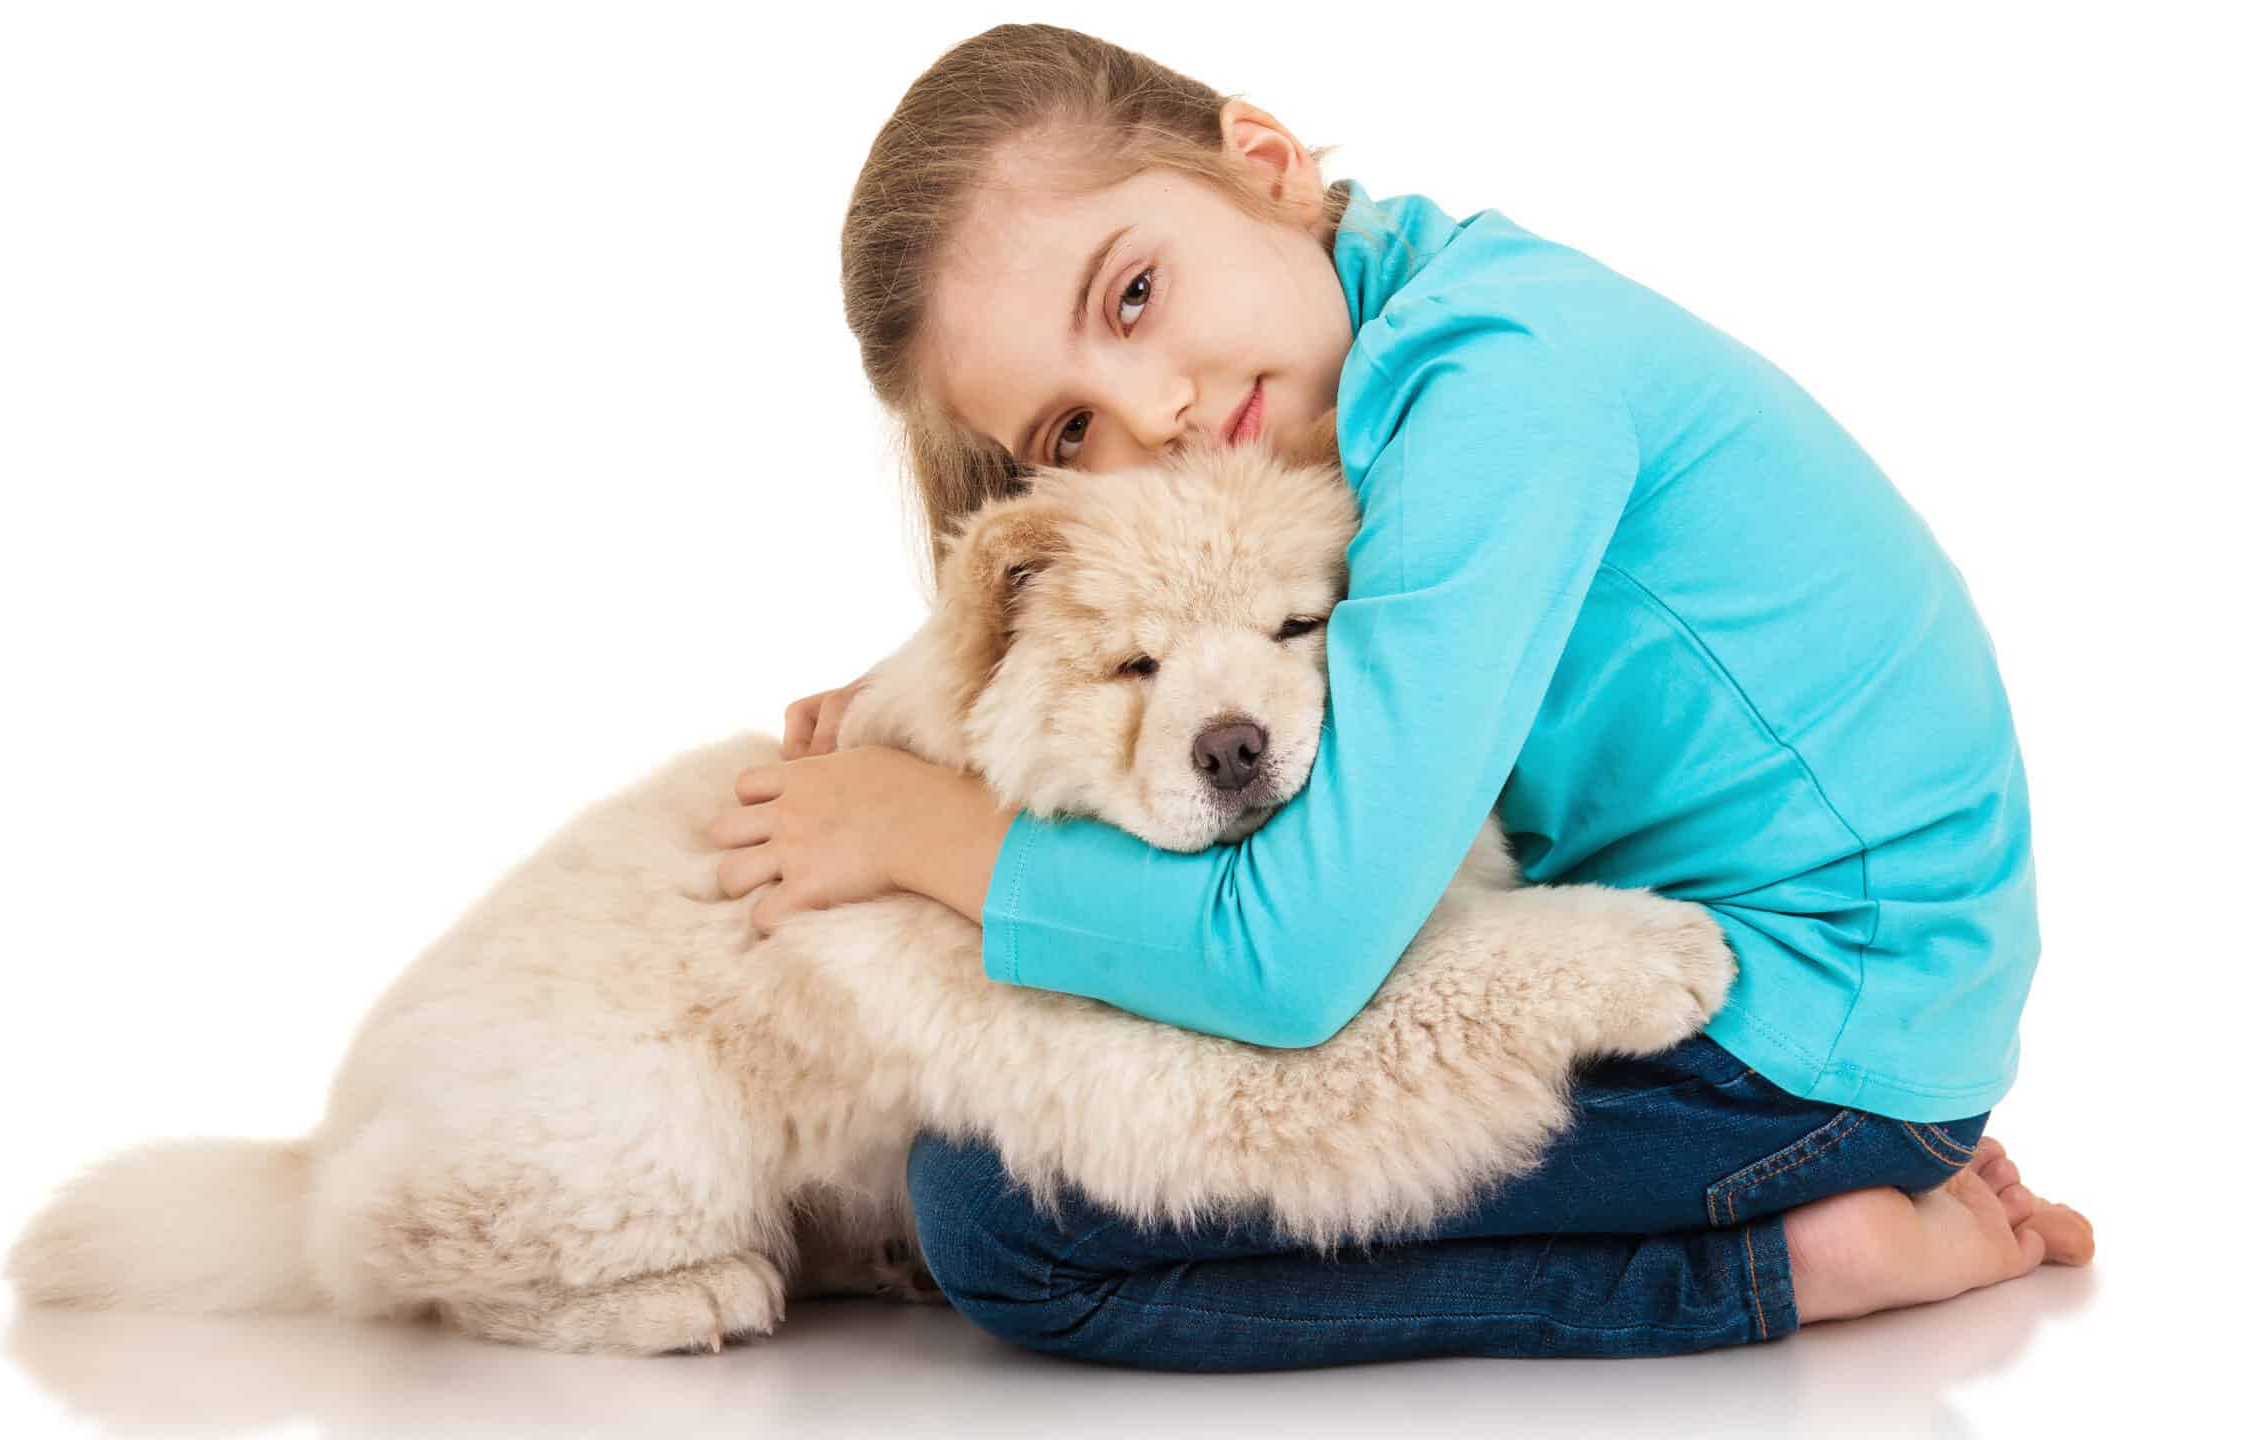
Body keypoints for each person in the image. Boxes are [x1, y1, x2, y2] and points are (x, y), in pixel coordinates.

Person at [703, 23, 2093, 1371]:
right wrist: (914, 696)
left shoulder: (1497, 391)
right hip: (1813, 1001)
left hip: (1798, 1034)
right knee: (1060, 1088)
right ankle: (1770, 1189)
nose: (1154, 417)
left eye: (1132, 297)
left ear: (1262, 163)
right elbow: (1169, 604)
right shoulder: (1370, 347)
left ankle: (1761, 1267)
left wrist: (908, 829)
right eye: (1072, 432)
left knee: (1008, 1215)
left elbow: (1293, 961)